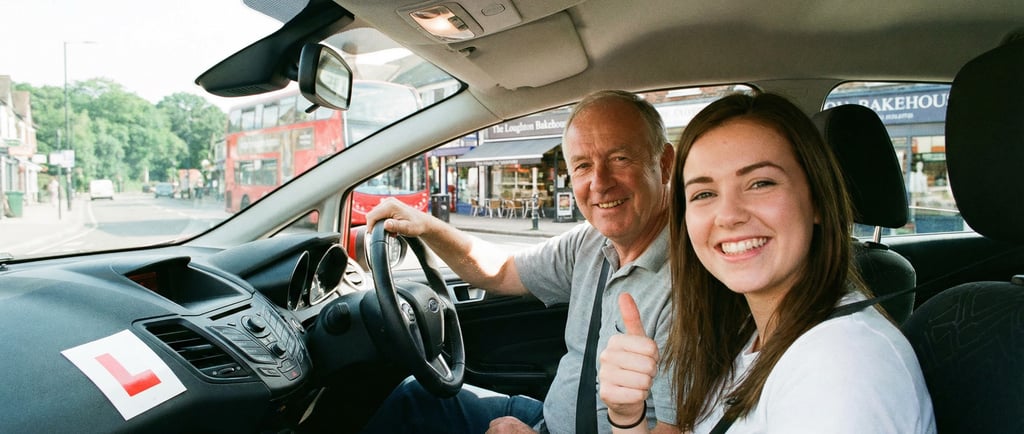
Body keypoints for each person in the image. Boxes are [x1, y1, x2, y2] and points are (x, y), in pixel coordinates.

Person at [598, 92, 935, 433]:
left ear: (817, 200)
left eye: (760, 183)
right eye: (704, 194)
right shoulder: (748, 335)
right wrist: (628, 417)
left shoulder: (840, 367)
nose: (728, 216)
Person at [360, 90, 679, 434]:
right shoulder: (589, 240)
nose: (599, 182)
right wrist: (426, 225)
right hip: (547, 418)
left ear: (663, 164)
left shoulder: (687, 285)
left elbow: (675, 428)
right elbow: (504, 271)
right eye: (583, 165)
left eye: (620, 158)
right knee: (415, 397)